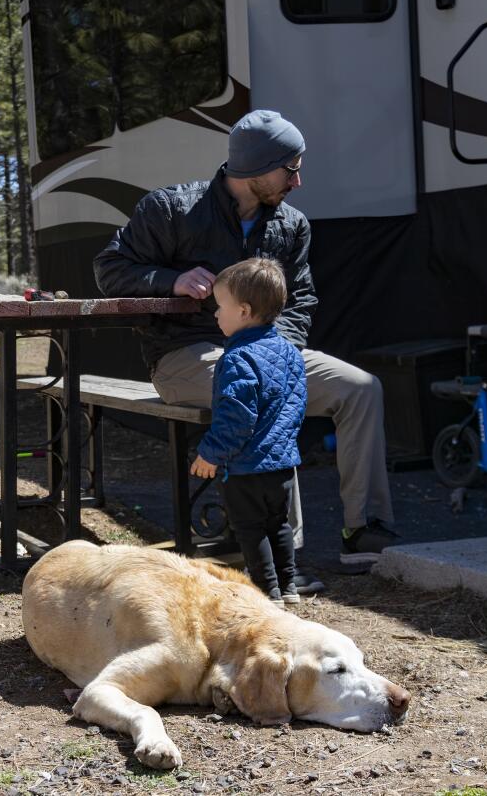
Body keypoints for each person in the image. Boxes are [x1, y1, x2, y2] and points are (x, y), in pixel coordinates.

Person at [93, 109, 397, 576]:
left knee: (360, 389)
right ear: (256, 167)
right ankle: (280, 557)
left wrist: (280, 348)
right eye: (291, 168)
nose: (298, 181)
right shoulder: (173, 209)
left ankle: (363, 529)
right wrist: (171, 280)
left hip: (268, 349)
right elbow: (110, 269)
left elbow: (301, 298)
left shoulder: (291, 224)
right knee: (261, 390)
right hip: (184, 355)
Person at [189, 258, 306, 605]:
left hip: (246, 468)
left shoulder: (237, 358)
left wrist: (210, 453)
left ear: (243, 310)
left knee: (251, 530)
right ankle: (289, 586)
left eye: (219, 306)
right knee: (278, 525)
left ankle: (267, 594)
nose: (215, 314)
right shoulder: (291, 353)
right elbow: (295, 406)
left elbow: (236, 418)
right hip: (283, 465)